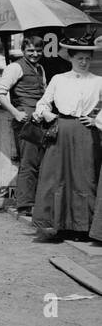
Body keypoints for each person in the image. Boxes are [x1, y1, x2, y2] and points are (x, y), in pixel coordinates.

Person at [31, 37, 102, 243]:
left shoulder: (97, 81)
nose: (83, 62)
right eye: (80, 58)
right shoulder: (59, 79)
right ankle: (58, 224)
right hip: (61, 130)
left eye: (87, 59)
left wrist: (95, 119)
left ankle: (81, 227)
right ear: (70, 58)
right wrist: (46, 114)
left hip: (85, 133)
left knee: (84, 176)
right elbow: (43, 103)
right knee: (56, 176)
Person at [0, 36, 50, 215]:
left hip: (40, 119)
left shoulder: (40, 68)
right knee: (29, 162)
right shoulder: (15, 67)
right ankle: (25, 205)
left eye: (38, 50)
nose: (34, 54)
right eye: (30, 50)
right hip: (25, 121)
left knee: (40, 162)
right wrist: (16, 113)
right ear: (23, 50)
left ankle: (36, 202)